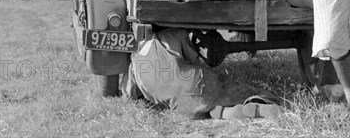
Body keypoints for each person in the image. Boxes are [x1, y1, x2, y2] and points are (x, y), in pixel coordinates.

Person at [120, 28, 283, 120]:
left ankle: (229, 113)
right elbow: (197, 60)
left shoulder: (134, 60)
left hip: (178, 105)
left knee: (209, 110)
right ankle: (266, 99)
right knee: (232, 89)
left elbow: (128, 93)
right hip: (193, 81)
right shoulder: (171, 35)